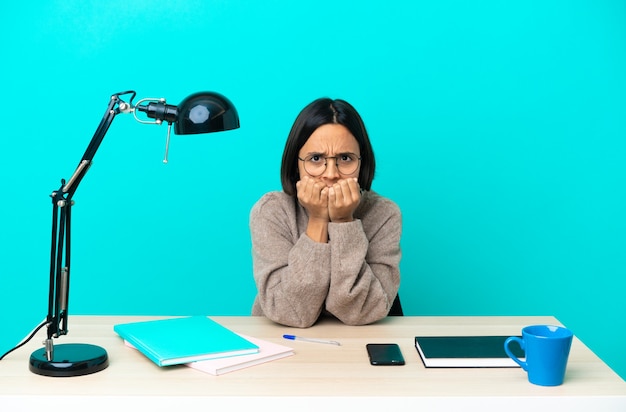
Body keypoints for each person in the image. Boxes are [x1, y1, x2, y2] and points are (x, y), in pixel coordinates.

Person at [249, 98, 402, 328]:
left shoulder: (384, 214)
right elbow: (289, 312)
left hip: (361, 345)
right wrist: (318, 220)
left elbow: (363, 311)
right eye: (316, 159)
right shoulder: (271, 211)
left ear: (362, 163)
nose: (331, 174)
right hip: (283, 346)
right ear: (295, 164)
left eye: (345, 158)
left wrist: (343, 222)